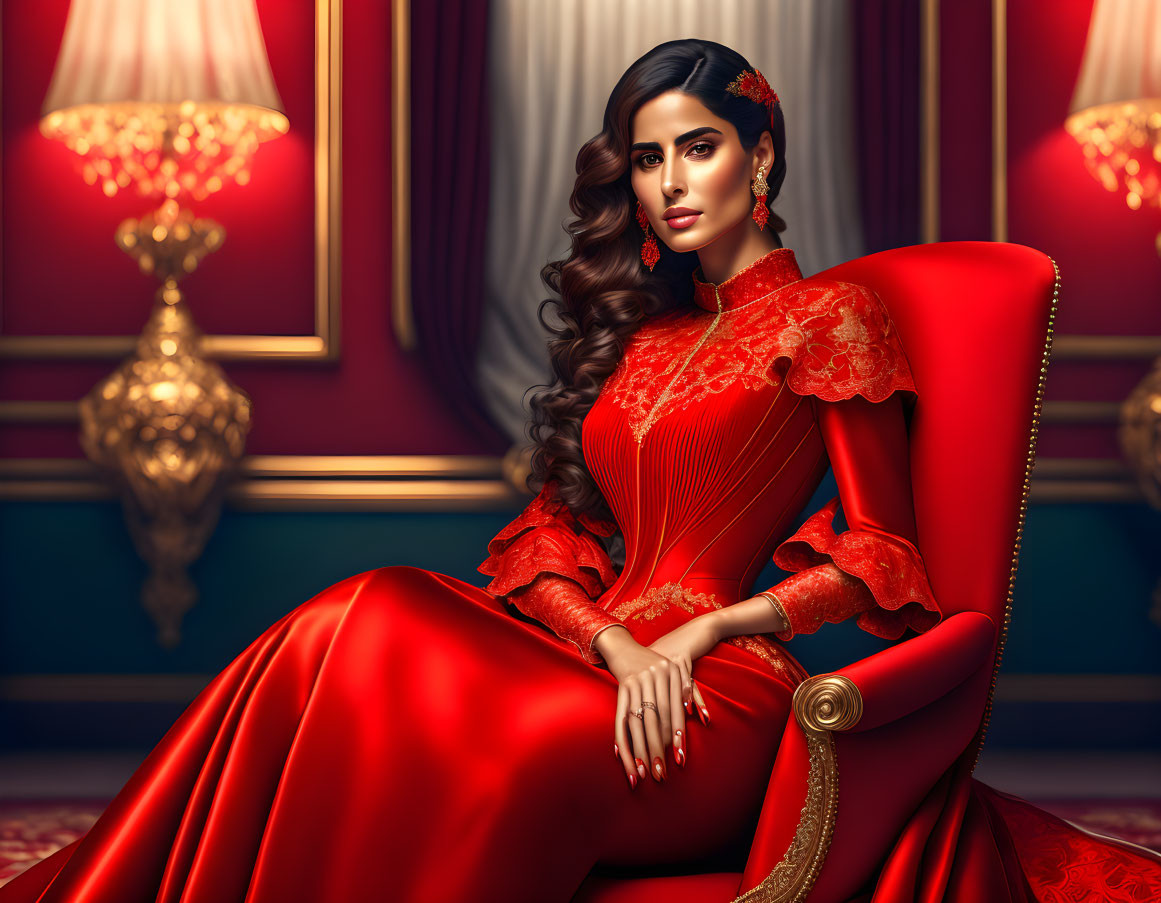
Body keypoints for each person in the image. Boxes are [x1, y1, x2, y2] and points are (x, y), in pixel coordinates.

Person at [3, 38, 1160, 903]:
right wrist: (611, 639)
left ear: (761, 156)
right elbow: (551, 536)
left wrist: (700, 635)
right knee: (359, 613)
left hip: (714, 695)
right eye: (649, 158)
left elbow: (880, 556)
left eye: (698, 148)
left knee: (477, 731)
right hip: (589, 653)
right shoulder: (641, 339)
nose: (670, 181)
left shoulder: (833, 316)